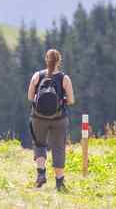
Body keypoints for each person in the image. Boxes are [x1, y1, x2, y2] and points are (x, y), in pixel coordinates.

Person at [28, 49, 74, 191]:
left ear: (46, 60)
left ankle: (41, 174)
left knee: (39, 144)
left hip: (38, 117)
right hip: (59, 118)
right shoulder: (64, 78)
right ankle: (59, 183)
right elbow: (71, 100)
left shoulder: (37, 76)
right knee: (58, 148)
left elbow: (30, 97)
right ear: (59, 61)